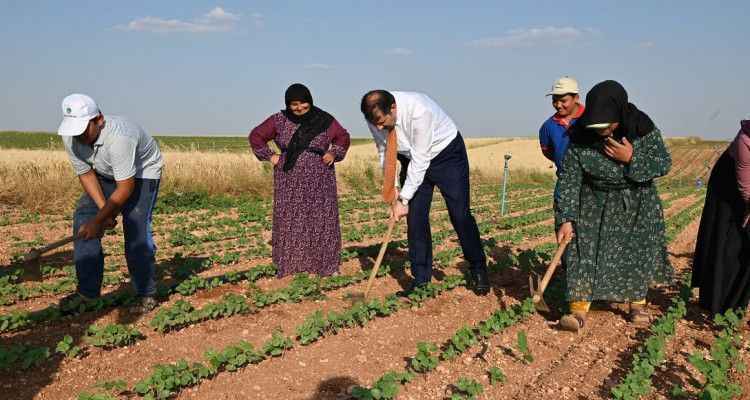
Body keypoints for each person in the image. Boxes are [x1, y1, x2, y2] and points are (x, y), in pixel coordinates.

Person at [554, 80, 672, 332]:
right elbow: (570, 178)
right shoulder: (580, 135)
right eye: (597, 127)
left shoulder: (641, 127)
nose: (603, 131)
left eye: (608, 126)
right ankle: (577, 311)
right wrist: (565, 217)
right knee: (581, 249)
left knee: (636, 250)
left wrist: (631, 158)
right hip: (593, 202)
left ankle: (637, 305)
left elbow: (663, 163)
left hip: (635, 201)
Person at [360, 90, 490, 296]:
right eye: (373, 122)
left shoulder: (420, 111)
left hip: (446, 156)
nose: (378, 127)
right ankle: (421, 280)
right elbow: (385, 151)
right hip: (409, 158)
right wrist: (392, 189)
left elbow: (421, 159)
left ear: (393, 108)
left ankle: (478, 269)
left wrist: (404, 198)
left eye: (381, 121)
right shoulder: (374, 117)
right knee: (416, 219)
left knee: (460, 215)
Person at [57, 94, 163, 313]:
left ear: (99, 120)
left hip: (143, 173)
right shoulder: (71, 136)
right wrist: (102, 214)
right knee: (84, 219)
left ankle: (146, 293)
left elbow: (125, 187)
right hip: (105, 173)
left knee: (135, 227)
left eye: (83, 129)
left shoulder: (120, 137)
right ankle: (88, 293)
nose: (78, 136)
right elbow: (86, 174)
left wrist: (102, 218)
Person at [249, 83, 350, 277]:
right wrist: (270, 156)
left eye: (303, 103)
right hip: (289, 178)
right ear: (288, 104)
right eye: (294, 104)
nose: (299, 108)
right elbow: (256, 136)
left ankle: (326, 265)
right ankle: (291, 265)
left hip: (320, 177)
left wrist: (333, 152)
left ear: (310, 101)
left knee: (321, 218)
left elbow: (343, 137)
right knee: (291, 218)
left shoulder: (325, 120)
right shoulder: (278, 120)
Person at [691, 120, 750, 315]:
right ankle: (718, 303)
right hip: (728, 187)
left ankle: (738, 302)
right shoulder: (745, 141)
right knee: (727, 242)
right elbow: (745, 186)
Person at [539, 76, 585, 192]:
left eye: (563, 101)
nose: (558, 105)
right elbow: (548, 152)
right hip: (565, 186)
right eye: (555, 100)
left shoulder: (591, 119)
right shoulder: (547, 127)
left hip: (592, 188)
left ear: (576, 98)